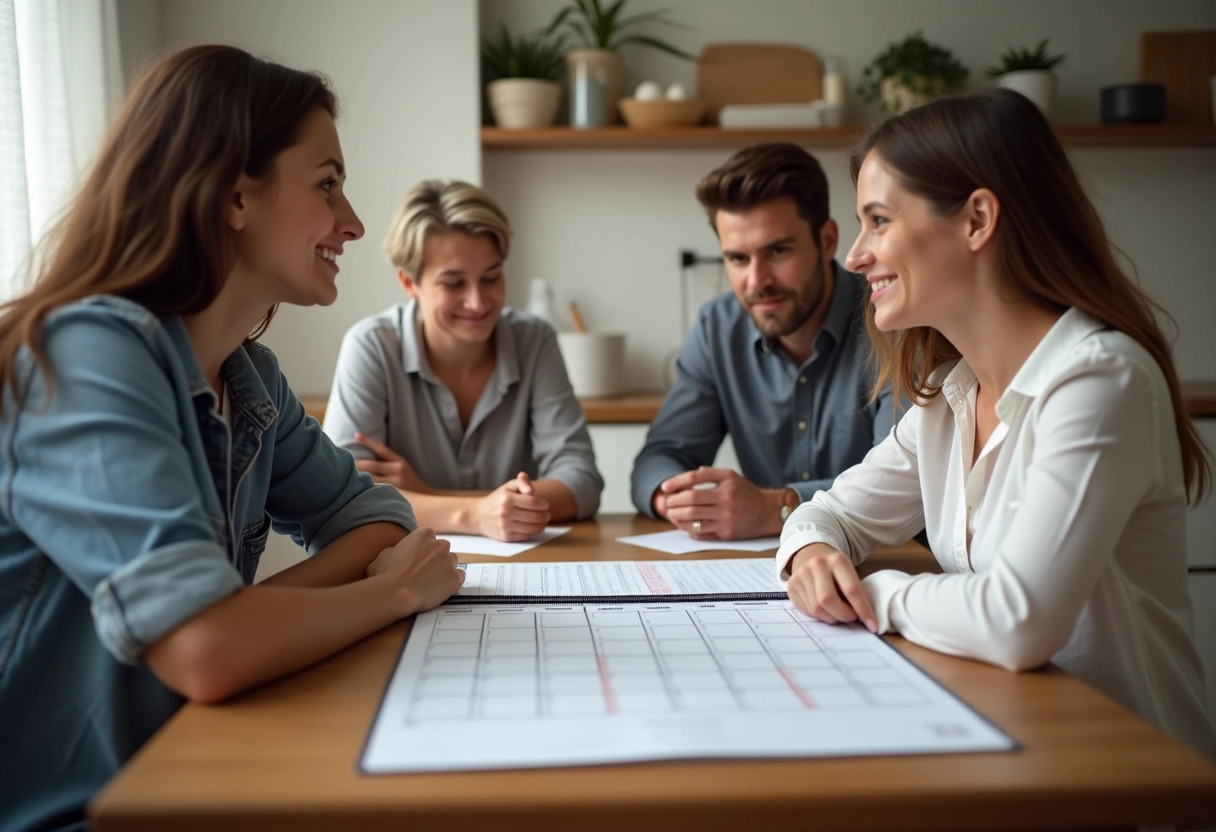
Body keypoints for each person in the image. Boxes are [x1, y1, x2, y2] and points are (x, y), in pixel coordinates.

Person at [0, 46, 465, 831]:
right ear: (232, 195)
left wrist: (243, 620)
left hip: (178, 774)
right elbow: (207, 654)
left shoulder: (248, 380)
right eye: (327, 185)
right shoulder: (86, 353)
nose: (351, 222)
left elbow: (379, 518)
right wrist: (391, 593)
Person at [778, 89, 1214, 757]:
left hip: (1129, 780)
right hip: (1015, 744)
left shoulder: (1099, 381)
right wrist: (811, 553)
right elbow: (829, 513)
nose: (856, 255)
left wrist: (874, 593)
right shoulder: (947, 399)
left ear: (978, 219)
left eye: (879, 220)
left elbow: (1019, 622)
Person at [630, 143, 893, 541]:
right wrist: (677, 500)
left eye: (777, 251)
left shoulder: (893, 321)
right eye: (737, 258)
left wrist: (776, 507)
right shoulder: (717, 328)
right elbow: (660, 458)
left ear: (827, 240)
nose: (756, 281)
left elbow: (900, 487)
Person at [322, 180, 602, 542]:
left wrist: (430, 495)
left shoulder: (535, 340)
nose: (478, 301)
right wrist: (475, 514)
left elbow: (581, 483)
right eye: (454, 283)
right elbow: (347, 499)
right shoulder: (371, 346)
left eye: (491, 277)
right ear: (409, 282)